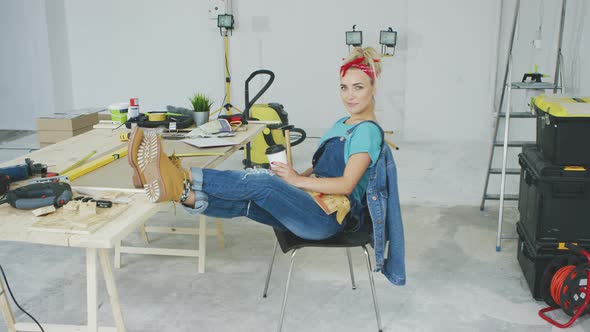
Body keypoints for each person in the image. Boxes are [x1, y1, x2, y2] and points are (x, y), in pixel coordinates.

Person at [128, 47, 405, 285]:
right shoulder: (343, 124)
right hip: (313, 204)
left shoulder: (367, 131)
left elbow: (346, 184)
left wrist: (296, 180)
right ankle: (179, 192)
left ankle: (181, 175)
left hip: (329, 219)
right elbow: (320, 170)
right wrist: (295, 177)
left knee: (261, 182)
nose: (349, 96)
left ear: (373, 88)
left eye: (358, 87)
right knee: (249, 203)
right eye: (344, 87)